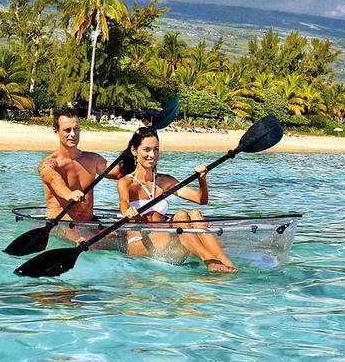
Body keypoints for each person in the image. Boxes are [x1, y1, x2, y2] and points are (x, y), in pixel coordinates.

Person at [117, 127, 237, 272]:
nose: (152, 155)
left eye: (156, 149)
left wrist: (202, 180)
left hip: (167, 244)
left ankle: (223, 260)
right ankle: (209, 260)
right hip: (141, 243)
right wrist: (129, 212)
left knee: (194, 214)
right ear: (134, 150)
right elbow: (124, 206)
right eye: (146, 149)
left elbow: (201, 199)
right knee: (181, 217)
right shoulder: (126, 182)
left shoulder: (164, 181)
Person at [38, 107, 123, 243]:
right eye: (67, 130)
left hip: (90, 222)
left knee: (122, 237)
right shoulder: (48, 164)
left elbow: (119, 173)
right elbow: (54, 180)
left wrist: (132, 154)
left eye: (76, 129)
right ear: (56, 131)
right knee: (87, 243)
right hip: (62, 224)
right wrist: (68, 194)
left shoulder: (92, 159)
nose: (73, 134)